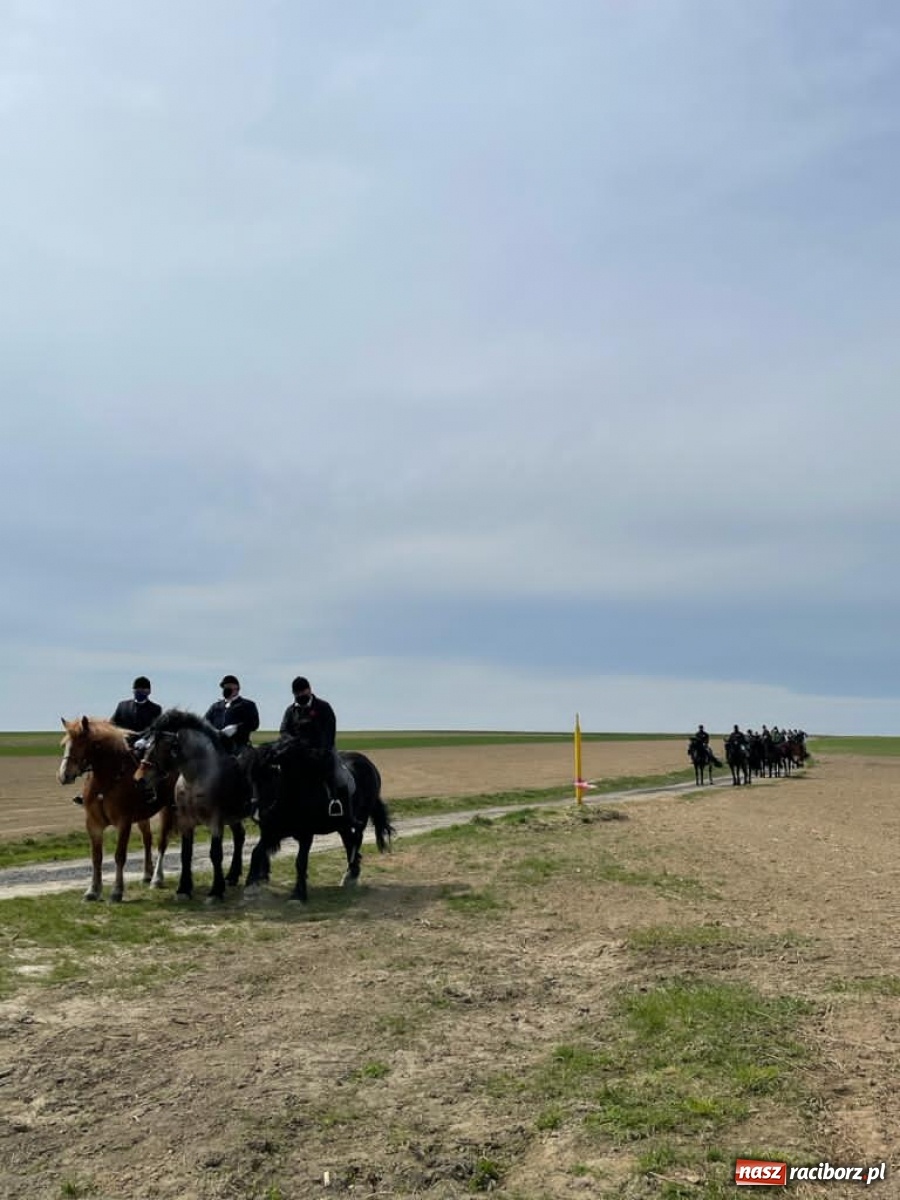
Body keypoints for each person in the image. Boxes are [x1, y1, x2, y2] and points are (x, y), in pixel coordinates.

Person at [71, 676, 163, 806]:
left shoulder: (155, 709)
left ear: (148, 692)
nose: (139, 692)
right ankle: (90, 791)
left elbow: (155, 729)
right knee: (100, 758)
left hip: (143, 743)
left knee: (145, 761)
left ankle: (148, 790)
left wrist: (144, 740)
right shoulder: (122, 706)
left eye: (142, 690)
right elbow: (113, 724)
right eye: (136, 690)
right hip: (122, 741)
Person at [279, 676, 357, 822]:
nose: (300, 696)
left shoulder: (323, 707)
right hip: (297, 753)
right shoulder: (291, 711)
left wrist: (320, 750)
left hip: (322, 751)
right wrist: (291, 742)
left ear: (309, 690)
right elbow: (283, 730)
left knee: (339, 777)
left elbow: (329, 732)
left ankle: (343, 810)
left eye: (302, 692)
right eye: (296, 694)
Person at [204, 675, 260, 753]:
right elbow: (205, 722)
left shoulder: (247, 704)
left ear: (237, 688)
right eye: (225, 687)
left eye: (229, 686)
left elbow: (254, 724)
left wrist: (236, 728)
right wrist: (214, 731)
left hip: (239, 745)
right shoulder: (215, 706)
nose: (226, 688)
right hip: (218, 745)